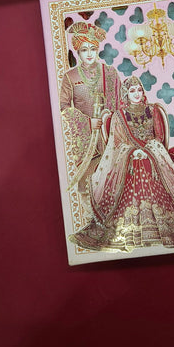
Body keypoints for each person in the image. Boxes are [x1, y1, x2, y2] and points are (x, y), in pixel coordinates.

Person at [71, 76, 174, 252]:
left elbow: (159, 137)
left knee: (146, 163)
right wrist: (133, 152)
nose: (136, 94)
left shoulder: (153, 110)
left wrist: (147, 151)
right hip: (128, 159)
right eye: (132, 91)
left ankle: (161, 226)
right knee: (137, 165)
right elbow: (117, 143)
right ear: (126, 94)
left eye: (139, 90)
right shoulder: (119, 116)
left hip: (152, 155)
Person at [59, 22, 121, 215]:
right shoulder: (70, 76)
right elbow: (63, 107)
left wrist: (109, 123)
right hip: (86, 140)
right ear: (77, 51)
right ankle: (92, 218)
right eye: (84, 49)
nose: (89, 54)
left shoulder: (109, 73)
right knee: (88, 183)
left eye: (93, 49)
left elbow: (120, 103)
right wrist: (87, 122)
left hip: (111, 136)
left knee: (114, 180)